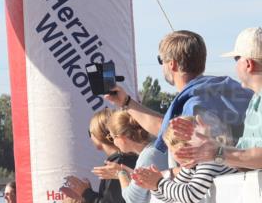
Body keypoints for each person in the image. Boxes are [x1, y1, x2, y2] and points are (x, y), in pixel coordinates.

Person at [104, 30, 252, 169]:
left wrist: (161, 179)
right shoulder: (230, 90)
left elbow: (198, 163)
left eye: (160, 60)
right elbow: (166, 128)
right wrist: (126, 102)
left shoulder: (194, 104)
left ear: (172, 64)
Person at [172, 26, 262, 170]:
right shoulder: (255, 101)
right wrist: (204, 154)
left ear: (248, 64)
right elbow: (247, 162)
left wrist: (217, 152)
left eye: (236, 58)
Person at [132, 117, 236, 203]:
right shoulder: (190, 167)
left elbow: (191, 195)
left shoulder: (209, 161)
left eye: (171, 151)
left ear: (182, 148)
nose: (172, 156)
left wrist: (159, 183)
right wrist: (154, 186)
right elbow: (171, 197)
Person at [96, 111, 157, 203]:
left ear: (122, 138)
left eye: (111, 138)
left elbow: (132, 200)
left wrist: (121, 174)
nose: (114, 143)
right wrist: (130, 174)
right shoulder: (154, 145)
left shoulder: (147, 156)